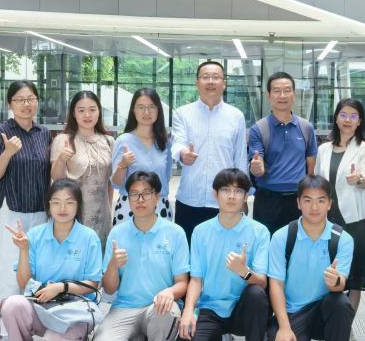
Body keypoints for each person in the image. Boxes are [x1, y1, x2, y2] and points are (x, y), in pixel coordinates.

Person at [87, 171, 190, 341]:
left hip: (158, 307)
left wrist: (169, 292)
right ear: (128, 199)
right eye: (134, 194)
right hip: (125, 307)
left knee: (168, 310)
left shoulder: (175, 233)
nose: (140, 199)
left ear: (157, 197)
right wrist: (113, 264)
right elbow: (109, 288)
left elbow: (183, 282)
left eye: (146, 193)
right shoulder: (117, 233)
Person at [0, 179, 103, 341]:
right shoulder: (35, 235)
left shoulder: (89, 237)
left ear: (78, 206)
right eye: (56, 202)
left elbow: (93, 284)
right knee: (12, 304)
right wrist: (24, 250)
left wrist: (61, 287)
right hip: (42, 306)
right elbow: (23, 282)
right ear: (48, 205)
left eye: (69, 202)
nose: (62, 208)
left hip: (75, 310)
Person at [175, 168, 271, 341]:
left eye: (238, 191)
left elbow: (262, 283)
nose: (231, 196)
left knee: (256, 294)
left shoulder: (259, 231)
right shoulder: (201, 231)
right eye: (226, 190)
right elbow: (196, 279)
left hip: (243, 308)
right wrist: (188, 311)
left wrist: (243, 272)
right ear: (215, 194)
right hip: (211, 307)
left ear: (246, 196)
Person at [266, 176, 355, 341]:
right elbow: (275, 284)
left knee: (341, 303)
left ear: (330, 204)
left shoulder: (342, 239)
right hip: (293, 311)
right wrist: (284, 327)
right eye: (308, 200)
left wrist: (336, 282)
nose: (314, 207)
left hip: (325, 310)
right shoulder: (283, 236)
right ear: (298, 203)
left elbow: (341, 285)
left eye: (321, 200)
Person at [0, 80, 51, 341]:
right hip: (10, 212)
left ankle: (26, 331)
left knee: (32, 274)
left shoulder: (44, 133)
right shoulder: (0, 133)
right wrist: (8, 153)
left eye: (31, 98)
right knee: (7, 274)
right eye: (20, 99)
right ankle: (3, 336)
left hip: (39, 212)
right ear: (10, 104)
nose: (27, 104)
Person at [314, 98, 365, 341]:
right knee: (329, 274)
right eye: (343, 114)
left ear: (360, 121)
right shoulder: (324, 149)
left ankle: (346, 330)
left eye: (353, 115)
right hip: (327, 222)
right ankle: (328, 326)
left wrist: (358, 178)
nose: (348, 120)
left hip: (356, 222)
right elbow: (317, 182)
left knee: (353, 279)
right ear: (336, 118)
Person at [170, 61, 248, 241]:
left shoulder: (236, 116)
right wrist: (183, 154)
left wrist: (244, 196)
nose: (210, 81)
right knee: (189, 251)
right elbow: (177, 142)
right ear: (197, 83)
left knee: (224, 252)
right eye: (205, 77)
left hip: (225, 202)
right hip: (189, 199)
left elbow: (240, 158)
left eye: (216, 77)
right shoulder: (182, 113)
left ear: (224, 83)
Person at [248, 72, 319, 235]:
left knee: (297, 244)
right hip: (268, 200)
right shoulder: (259, 129)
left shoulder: (306, 127)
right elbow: (257, 167)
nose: (282, 95)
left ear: (294, 94)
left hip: (298, 199)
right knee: (266, 243)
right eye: (277, 91)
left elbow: (311, 168)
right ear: (268, 95)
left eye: (287, 90)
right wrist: (257, 168)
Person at [51, 90, 114, 244]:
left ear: (99, 112)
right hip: (73, 214)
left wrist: (108, 209)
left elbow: (110, 182)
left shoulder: (108, 141)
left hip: (102, 216)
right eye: (81, 110)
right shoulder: (63, 140)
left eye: (92, 109)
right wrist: (61, 159)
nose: (87, 115)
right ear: (74, 113)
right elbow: (57, 180)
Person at [112, 88, 173, 225]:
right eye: (141, 107)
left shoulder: (165, 142)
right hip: (130, 208)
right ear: (133, 110)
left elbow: (166, 177)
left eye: (152, 107)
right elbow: (116, 183)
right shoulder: (123, 141)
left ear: (158, 110)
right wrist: (123, 165)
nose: (146, 112)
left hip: (159, 207)